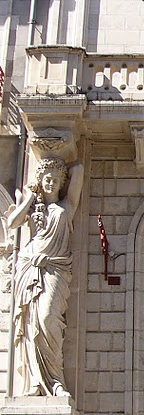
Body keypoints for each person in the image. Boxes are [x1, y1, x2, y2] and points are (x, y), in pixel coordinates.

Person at [7, 157, 83, 398]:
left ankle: (55, 380)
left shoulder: (67, 207)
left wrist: (59, 153)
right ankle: (35, 383)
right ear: (40, 182)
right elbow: (12, 223)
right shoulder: (33, 208)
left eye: (55, 180)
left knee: (48, 318)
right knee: (31, 324)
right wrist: (29, 197)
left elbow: (79, 169)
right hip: (29, 266)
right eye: (47, 179)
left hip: (55, 268)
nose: (50, 183)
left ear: (62, 183)